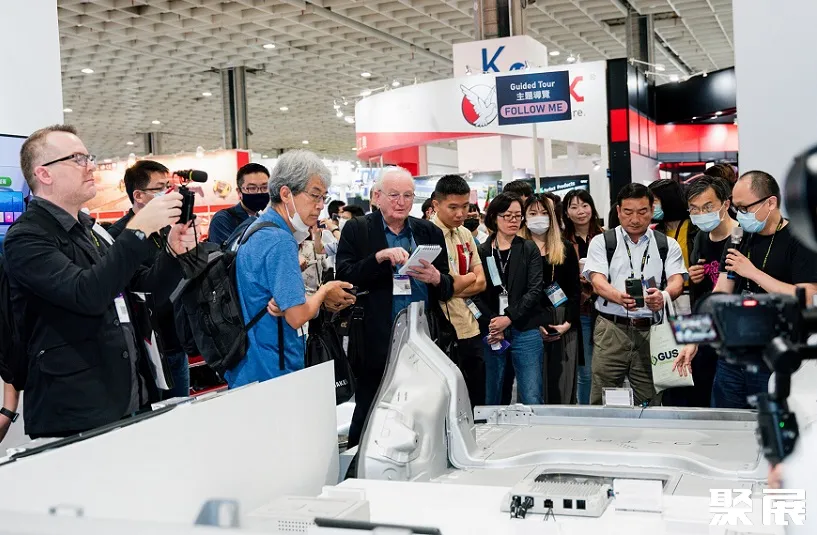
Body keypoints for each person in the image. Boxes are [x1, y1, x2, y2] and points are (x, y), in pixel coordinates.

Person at [5, 124, 196, 438]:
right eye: (77, 159)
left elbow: (140, 292)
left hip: (128, 396)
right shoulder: (27, 237)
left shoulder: (90, 230)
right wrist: (138, 230)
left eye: (88, 157)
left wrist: (173, 254)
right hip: (77, 410)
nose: (90, 166)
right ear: (44, 174)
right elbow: (86, 294)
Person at [674, 171, 817, 409]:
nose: (739, 215)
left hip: (776, 354)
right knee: (725, 419)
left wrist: (752, 272)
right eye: (736, 208)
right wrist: (693, 339)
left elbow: (806, 296)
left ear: (770, 202)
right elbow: (720, 292)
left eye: (744, 208)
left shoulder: (800, 239)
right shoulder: (739, 237)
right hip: (733, 352)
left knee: (769, 419)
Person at [336, 167, 454, 447]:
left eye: (408, 195)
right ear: (377, 196)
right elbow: (345, 275)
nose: (401, 202)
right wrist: (378, 258)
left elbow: (447, 285)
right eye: (393, 195)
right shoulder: (358, 229)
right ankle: (360, 461)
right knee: (370, 406)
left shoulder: (428, 231)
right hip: (377, 335)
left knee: (421, 405)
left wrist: (436, 278)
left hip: (421, 336)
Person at [226, 151, 355, 389]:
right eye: (314, 195)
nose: (320, 206)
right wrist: (324, 291)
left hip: (249, 363)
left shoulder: (257, 229)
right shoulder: (279, 240)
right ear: (286, 194)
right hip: (274, 368)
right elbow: (297, 317)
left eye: (323, 197)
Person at [582, 183, 686, 406]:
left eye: (642, 211)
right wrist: (618, 297)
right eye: (628, 212)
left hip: (651, 330)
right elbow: (597, 281)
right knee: (603, 395)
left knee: (650, 398)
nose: (635, 219)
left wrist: (663, 296)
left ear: (652, 210)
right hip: (611, 329)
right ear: (619, 211)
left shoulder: (667, 244)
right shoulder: (603, 242)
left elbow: (677, 281)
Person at [107, 160, 190, 399]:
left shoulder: (166, 229)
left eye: (168, 186)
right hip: (146, 349)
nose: (167, 193)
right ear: (139, 195)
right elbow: (140, 290)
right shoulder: (119, 237)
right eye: (159, 188)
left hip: (176, 341)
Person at [667, 176, 735, 407]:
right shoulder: (701, 237)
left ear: (725, 204)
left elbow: (724, 289)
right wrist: (694, 276)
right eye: (694, 209)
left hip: (731, 332)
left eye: (707, 207)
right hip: (705, 328)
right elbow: (703, 289)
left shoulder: (741, 237)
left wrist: (693, 336)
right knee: (700, 394)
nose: (701, 214)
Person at [473, 193, 545, 405]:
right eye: (507, 216)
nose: (513, 220)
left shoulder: (528, 248)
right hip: (492, 330)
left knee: (531, 394)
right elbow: (474, 293)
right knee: (491, 394)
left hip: (525, 328)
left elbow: (535, 290)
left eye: (518, 216)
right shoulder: (482, 251)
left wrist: (509, 318)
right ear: (494, 217)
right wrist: (494, 322)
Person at [431, 175, 488, 408]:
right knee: (447, 401)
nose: (460, 213)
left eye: (465, 206)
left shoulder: (465, 233)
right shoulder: (428, 234)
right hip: (444, 330)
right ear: (436, 205)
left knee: (476, 399)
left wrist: (460, 282)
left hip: (471, 326)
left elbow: (481, 282)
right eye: (453, 207)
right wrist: (466, 279)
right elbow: (443, 288)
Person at [522, 194, 580, 404]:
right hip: (528, 322)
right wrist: (534, 323)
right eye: (533, 213)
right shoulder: (518, 249)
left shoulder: (564, 247)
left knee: (561, 383)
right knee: (532, 387)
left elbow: (575, 290)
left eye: (544, 213)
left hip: (562, 320)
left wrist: (568, 323)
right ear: (524, 217)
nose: (539, 217)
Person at [563, 189, 605, 405]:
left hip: (606, 308)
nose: (580, 211)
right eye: (574, 206)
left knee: (607, 367)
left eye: (584, 205)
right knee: (586, 370)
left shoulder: (605, 236)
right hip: (580, 311)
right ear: (566, 212)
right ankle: (587, 410)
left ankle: (606, 409)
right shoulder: (562, 241)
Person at [207, 163, 270, 246]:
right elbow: (227, 252)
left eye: (265, 187)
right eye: (252, 188)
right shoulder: (223, 219)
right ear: (239, 192)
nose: (259, 192)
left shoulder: (269, 218)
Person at [649, 179, 697, 270]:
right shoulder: (654, 232)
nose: (649, 206)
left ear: (668, 201)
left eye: (654, 201)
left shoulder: (694, 229)